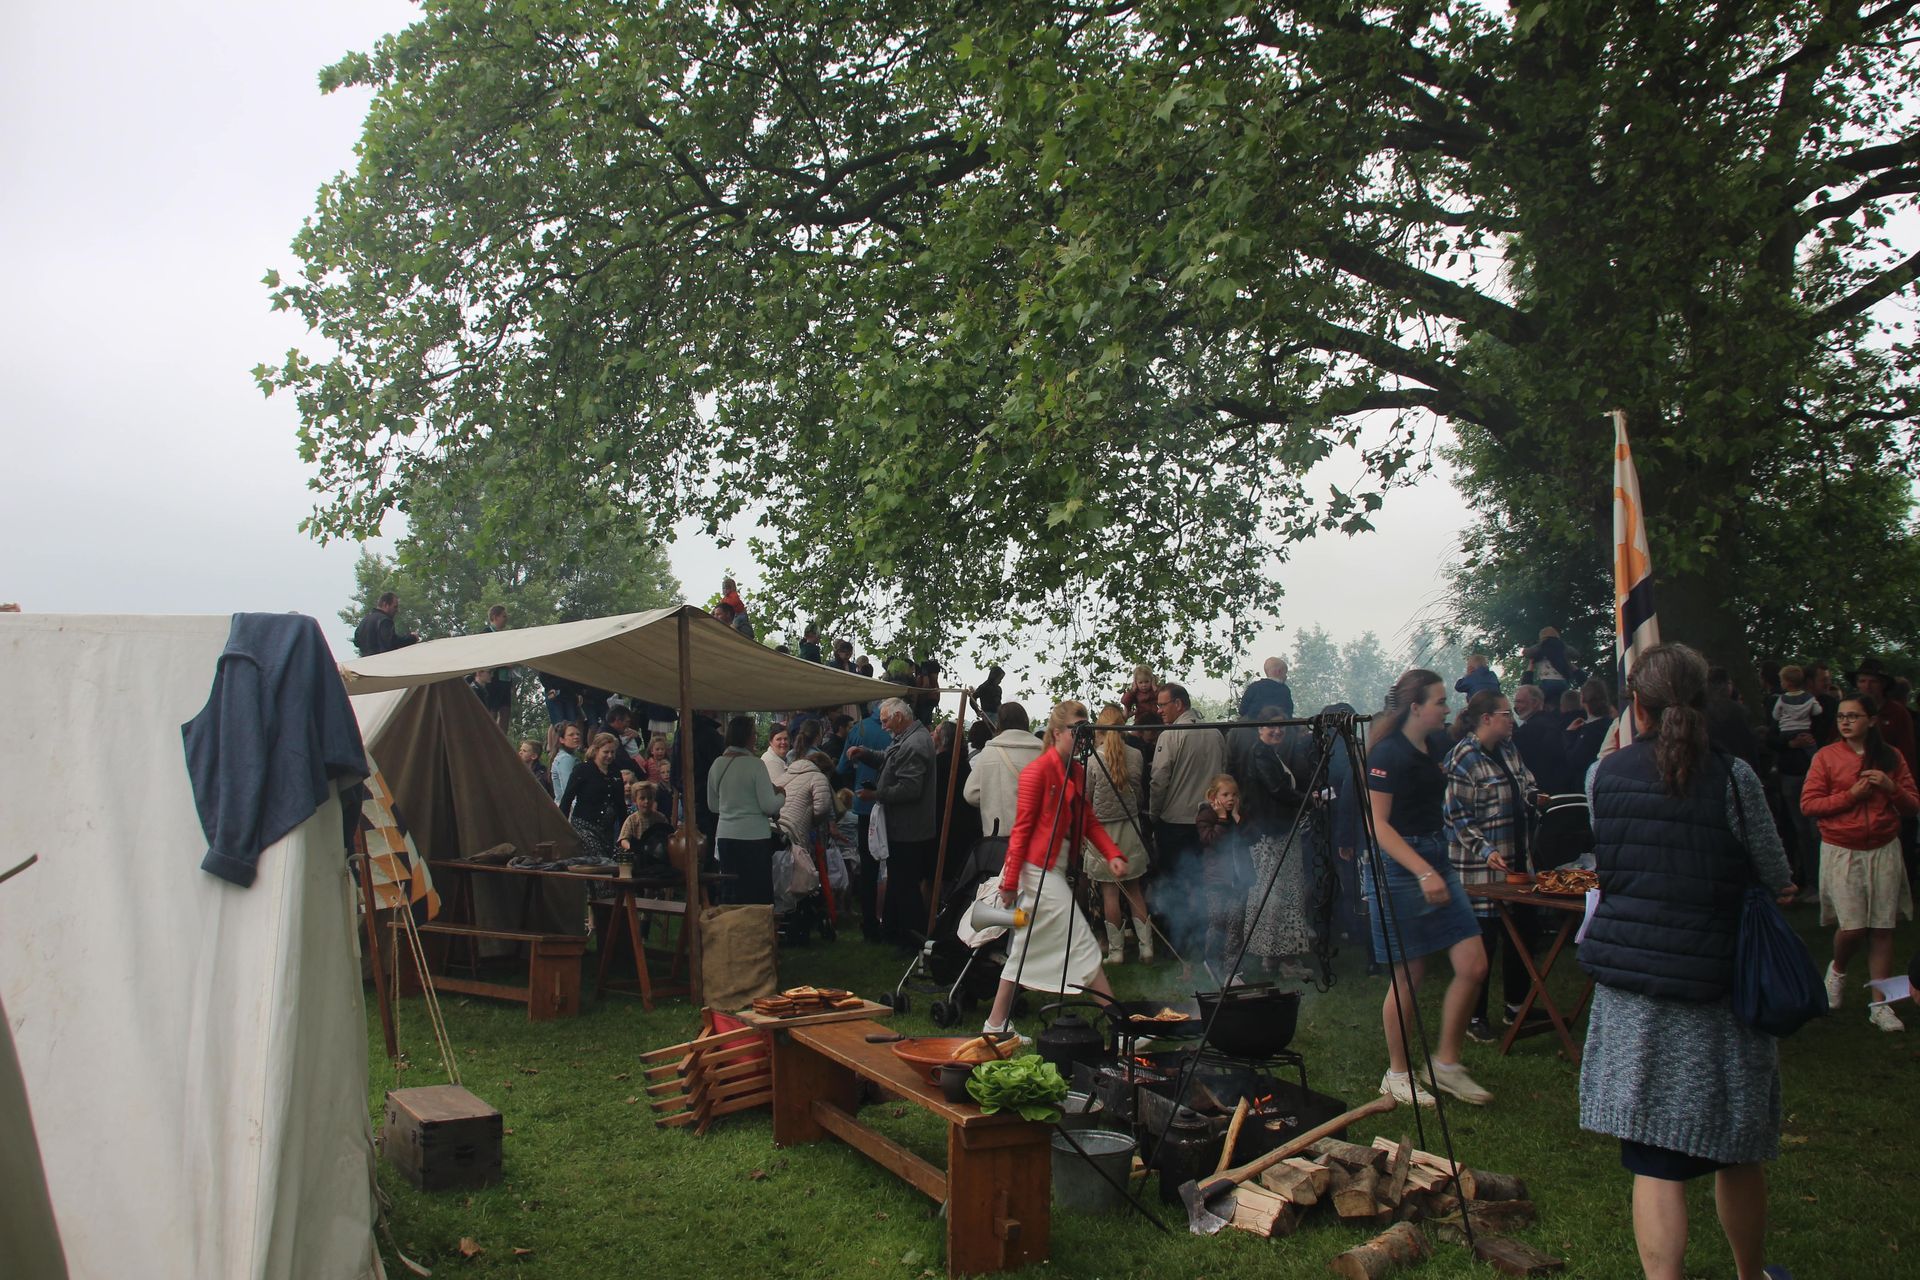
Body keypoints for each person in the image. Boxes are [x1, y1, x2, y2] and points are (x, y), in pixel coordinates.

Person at [1577, 643, 1797, 1280]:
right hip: (1717, 985)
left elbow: (1616, 860)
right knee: (1737, 1147)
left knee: (1655, 1160)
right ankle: (1750, 1275)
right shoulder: (1734, 778)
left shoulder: (1602, 776)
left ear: (1636, 707)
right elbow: (1775, 871)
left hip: (1636, 992)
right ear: (1707, 702)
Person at [1365, 669, 1492, 1107]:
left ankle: (1446, 1065)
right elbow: (1378, 825)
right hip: (1399, 867)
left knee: (1474, 964)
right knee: (1409, 974)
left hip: (1437, 856)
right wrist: (1422, 871)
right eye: (1440, 701)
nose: (1447, 708)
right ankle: (1397, 1074)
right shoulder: (1387, 753)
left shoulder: (1436, 745)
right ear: (1415, 707)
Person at [983, 700, 1129, 1035]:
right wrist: (1010, 883)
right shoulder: (1038, 771)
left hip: (1055, 868)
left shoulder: (1075, 771)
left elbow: (1087, 820)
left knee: (1022, 950)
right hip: (1037, 871)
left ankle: (994, 1024)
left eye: (1086, 730)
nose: (1082, 737)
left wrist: (1112, 853)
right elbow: (1021, 831)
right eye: (1077, 730)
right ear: (1059, 732)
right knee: (1082, 944)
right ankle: (1121, 1029)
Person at [1799, 693, 1917, 1031]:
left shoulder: (1891, 756)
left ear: (1871, 720)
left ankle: (1881, 1005)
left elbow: (1912, 806)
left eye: (1853, 716)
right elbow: (1809, 804)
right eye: (1841, 717)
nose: (1846, 722)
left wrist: (1891, 787)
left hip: (1883, 848)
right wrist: (1851, 796)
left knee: (1881, 927)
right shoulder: (1826, 757)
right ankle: (1837, 970)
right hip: (1843, 848)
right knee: (1852, 927)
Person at [1443, 690, 1542, 1043]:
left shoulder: (1509, 749)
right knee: (1482, 943)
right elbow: (1457, 816)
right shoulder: (1463, 758)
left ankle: (1517, 1005)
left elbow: (1526, 782)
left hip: (1516, 863)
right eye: (1505, 713)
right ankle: (1475, 1016)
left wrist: (1535, 798)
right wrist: (1485, 851)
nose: (1511, 719)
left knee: (1522, 933)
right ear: (1486, 719)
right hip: (1478, 869)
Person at [1149, 682, 1226, 957]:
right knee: (1204, 882)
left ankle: (1179, 942)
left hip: (1175, 821)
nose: (1159, 711)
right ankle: (1206, 939)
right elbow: (1223, 774)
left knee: (1176, 883)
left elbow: (1159, 780)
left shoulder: (1170, 735)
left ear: (1179, 704)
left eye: (1163, 705)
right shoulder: (1215, 733)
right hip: (1208, 820)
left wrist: (1153, 814)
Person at [1235, 709, 1311, 980]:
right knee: (1278, 895)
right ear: (1259, 729)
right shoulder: (1260, 754)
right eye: (1271, 727)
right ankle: (1281, 958)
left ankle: (1273, 957)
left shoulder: (1270, 754)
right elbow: (1278, 790)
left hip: (1272, 833)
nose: (1277, 731)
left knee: (1275, 894)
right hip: (1271, 836)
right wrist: (1310, 800)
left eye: (1281, 727)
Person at [863, 697, 937, 944]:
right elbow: (888, 758)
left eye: (885, 721)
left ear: (898, 716)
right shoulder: (907, 737)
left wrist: (876, 794)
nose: (883, 726)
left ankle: (913, 940)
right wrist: (865, 754)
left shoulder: (915, 743)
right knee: (898, 883)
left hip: (909, 829)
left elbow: (910, 789)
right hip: (904, 827)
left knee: (905, 887)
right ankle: (894, 933)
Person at [1084, 703, 1152, 963]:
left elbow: (1087, 798)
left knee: (1110, 893)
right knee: (1134, 890)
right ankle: (1146, 947)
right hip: (1130, 827)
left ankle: (1116, 952)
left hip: (1103, 832)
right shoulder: (1135, 755)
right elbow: (1139, 793)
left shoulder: (1093, 759)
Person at [707, 715, 783, 903]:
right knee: (756, 894)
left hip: (726, 836)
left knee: (731, 892)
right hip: (754, 838)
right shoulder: (756, 765)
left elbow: (713, 805)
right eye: (754, 734)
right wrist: (782, 796)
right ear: (747, 737)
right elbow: (768, 805)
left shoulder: (717, 764)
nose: (756, 738)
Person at [839, 701, 894, 939]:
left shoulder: (858, 730)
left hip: (864, 806)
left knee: (869, 867)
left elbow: (842, 767)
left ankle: (869, 922)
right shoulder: (897, 731)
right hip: (892, 806)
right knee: (893, 864)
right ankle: (891, 920)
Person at [1195, 773, 1250, 980]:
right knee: (1218, 922)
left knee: (1236, 923)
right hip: (1217, 880)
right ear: (1213, 796)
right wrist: (1222, 819)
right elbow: (1211, 840)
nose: (1230, 799)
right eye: (1225, 794)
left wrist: (1236, 817)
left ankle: (1233, 970)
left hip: (1239, 879)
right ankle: (1212, 961)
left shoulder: (1239, 815)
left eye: (1234, 795)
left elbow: (1250, 838)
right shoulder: (1206, 816)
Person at [963, 702, 1043, 841]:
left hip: (998, 837)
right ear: (1025, 721)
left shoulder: (990, 752)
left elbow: (971, 794)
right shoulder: (1044, 752)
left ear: (999, 723)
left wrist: (993, 798)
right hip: (1036, 836)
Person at [559, 733, 625, 858]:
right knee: (598, 859)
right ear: (596, 750)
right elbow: (567, 798)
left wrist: (624, 831)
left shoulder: (616, 772)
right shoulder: (582, 770)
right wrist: (563, 827)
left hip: (607, 829)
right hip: (585, 825)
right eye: (606, 752)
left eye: (612, 752)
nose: (610, 756)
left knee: (610, 859)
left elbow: (620, 804)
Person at [1511, 684, 1570, 794]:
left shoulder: (1528, 731)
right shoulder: (1555, 722)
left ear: (1534, 703)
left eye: (1520, 702)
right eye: (1515, 702)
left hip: (1541, 790)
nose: (1516, 707)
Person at [1523, 627, 1580, 707]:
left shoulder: (1541, 647)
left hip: (1547, 682)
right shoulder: (1563, 647)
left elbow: (1526, 653)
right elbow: (1576, 655)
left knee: (1539, 703)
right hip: (1563, 683)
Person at [352, 591, 419, 657]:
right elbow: (392, 642)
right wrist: (412, 638)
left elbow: (356, 642)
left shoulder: (364, 621)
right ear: (385, 605)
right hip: (382, 661)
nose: (397, 610)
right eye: (395, 607)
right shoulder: (384, 620)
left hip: (365, 662)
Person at [547, 721, 584, 800]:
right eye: (571, 735)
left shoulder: (569, 757)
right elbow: (569, 790)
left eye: (578, 734)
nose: (576, 737)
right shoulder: (565, 759)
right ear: (562, 740)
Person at [760, 726, 792, 790]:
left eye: (786, 739)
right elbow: (780, 789)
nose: (783, 742)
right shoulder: (771, 761)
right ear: (771, 742)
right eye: (779, 739)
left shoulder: (784, 758)